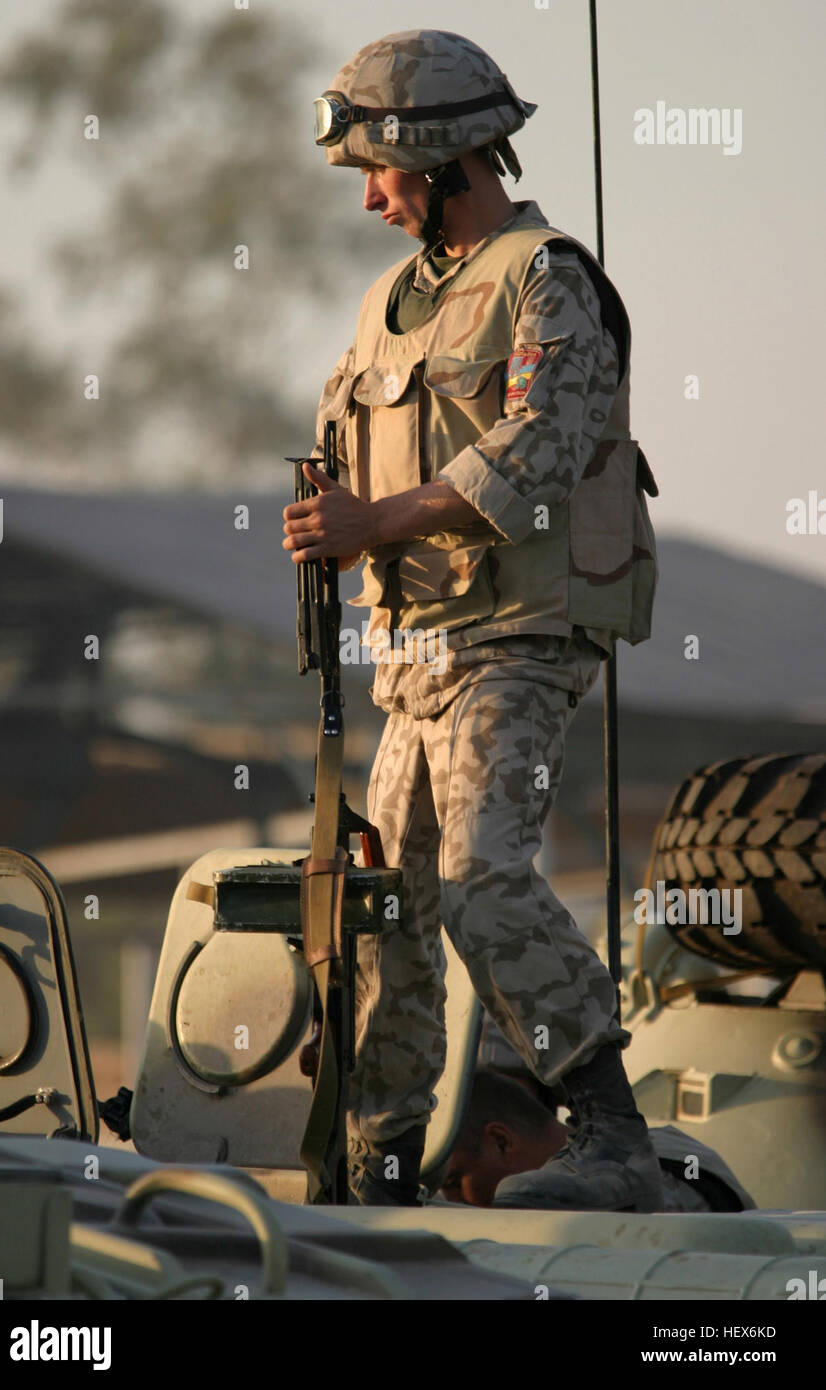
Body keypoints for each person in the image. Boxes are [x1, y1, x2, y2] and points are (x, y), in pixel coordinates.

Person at [281, 30, 659, 1209]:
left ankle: (607, 1126)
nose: (372, 199)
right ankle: (382, 1151)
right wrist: (329, 522)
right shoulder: (387, 305)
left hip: (518, 637)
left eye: (379, 173)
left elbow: (537, 453)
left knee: (484, 875)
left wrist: (370, 519)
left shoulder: (545, 276)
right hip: (411, 655)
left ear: (442, 159)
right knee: (387, 905)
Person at [439, 1070, 756, 1212]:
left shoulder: (639, 1182)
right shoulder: (660, 1148)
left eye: (454, 1182)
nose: (450, 1202)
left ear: (502, 1142)